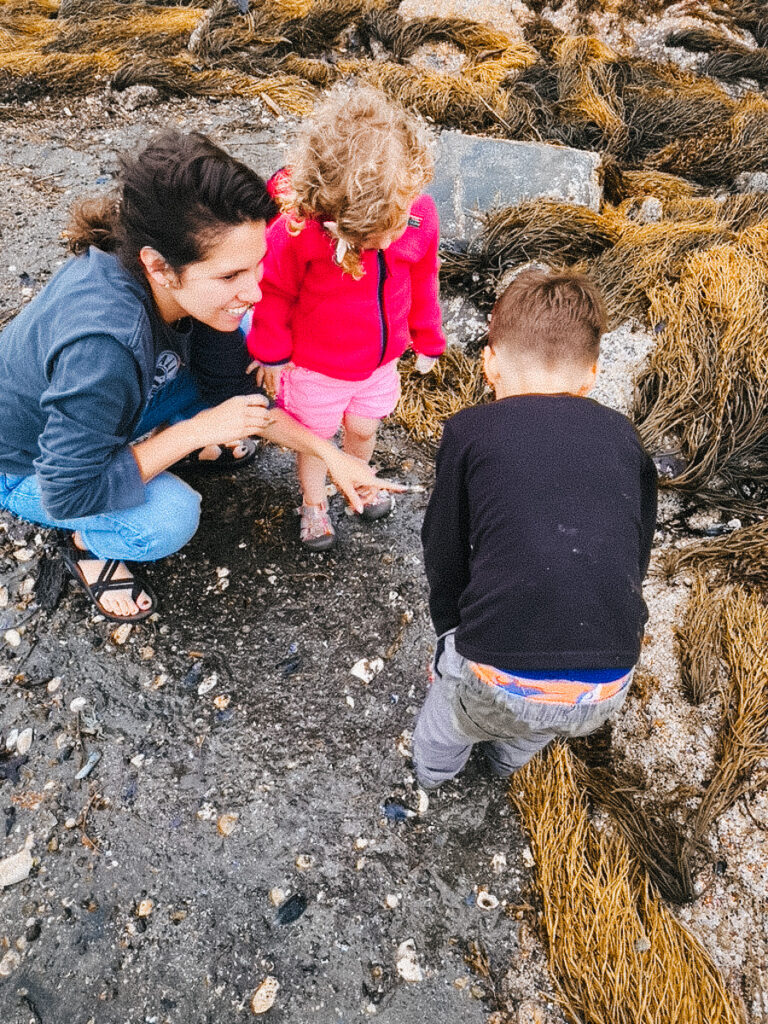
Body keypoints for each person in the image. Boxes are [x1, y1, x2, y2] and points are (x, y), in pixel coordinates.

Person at [0, 131, 397, 623]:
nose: (254, 289)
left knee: (246, 327)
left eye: (257, 266)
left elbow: (238, 397)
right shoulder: (102, 349)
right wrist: (196, 432)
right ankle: (91, 544)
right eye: (231, 275)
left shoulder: (187, 294)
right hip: (33, 468)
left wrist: (330, 455)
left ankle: (158, 440)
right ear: (159, 266)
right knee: (168, 518)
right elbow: (69, 490)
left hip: (116, 402)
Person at [412, 269, 657, 790]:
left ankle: (432, 777)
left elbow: (444, 547)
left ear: (489, 362)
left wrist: (449, 633)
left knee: (448, 725)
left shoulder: (469, 431)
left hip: (497, 672)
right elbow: (637, 547)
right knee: (533, 730)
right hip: (608, 680)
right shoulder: (623, 436)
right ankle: (504, 766)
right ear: (591, 376)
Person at [246, 86, 446, 551]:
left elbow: (425, 278)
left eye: (398, 223)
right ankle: (314, 502)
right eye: (378, 233)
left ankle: (361, 480)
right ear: (337, 214)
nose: (393, 239)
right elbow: (273, 292)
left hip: (380, 363)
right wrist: (271, 354)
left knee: (363, 428)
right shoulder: (298, 232)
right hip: (315, 365)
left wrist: (428, 337)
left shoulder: (417, 214)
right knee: (317, 438)